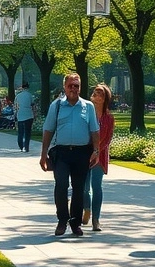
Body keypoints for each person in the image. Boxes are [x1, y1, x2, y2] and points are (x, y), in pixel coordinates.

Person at [39, 73, 98, 237]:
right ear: (64, 87)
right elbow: (48, 130)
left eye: (76, 86)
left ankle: (75, 222)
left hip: (82, 153)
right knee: (61, 185)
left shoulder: (88, 106)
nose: (73, 89)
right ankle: (62, 220)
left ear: (80, 87)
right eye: (70, 85)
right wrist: (43, 154)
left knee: (79, 189)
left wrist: (96, 151)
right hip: (62, 153)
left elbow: (95, 130)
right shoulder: (56, 106)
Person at [83, 84, 115, 231]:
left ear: (105, 98)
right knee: (83, 187)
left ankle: (96, 219)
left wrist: (97, 151)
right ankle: (86, 209)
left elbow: (108, 139)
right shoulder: (85, 113)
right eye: (95, 92)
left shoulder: (109, 118)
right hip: (84, 153)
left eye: (100, 93)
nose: (96, 94)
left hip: (99, 156)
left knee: (97, 187)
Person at [15, 82, 35, 153]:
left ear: (22, 87)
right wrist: (34, 114)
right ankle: (26, 147)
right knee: (27, 132)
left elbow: (16, 106)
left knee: (20, 132)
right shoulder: (30, 95)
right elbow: (33, 105)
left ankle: (20, 146)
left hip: (20, 114)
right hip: (29, 114)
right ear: (28, 87)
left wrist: (16, 114)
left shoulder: (18, 96)